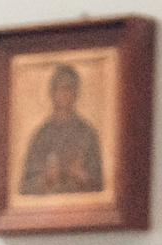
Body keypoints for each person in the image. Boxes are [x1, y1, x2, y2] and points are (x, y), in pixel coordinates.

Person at [18, 62, 105, 196]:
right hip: (46, 209)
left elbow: (101, 187)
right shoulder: (41, 135)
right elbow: (24, 188)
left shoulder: (88, 133)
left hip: (80, 208)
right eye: (59, 88)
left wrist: (81, 177)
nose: (63, 94)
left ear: (76, 92)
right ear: (52, 92)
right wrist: (46, 180)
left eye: (68, 88)